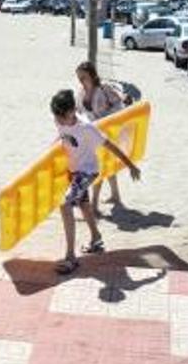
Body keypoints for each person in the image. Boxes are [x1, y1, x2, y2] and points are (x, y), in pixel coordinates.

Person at [49, 89, 141, 275]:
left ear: (72, 111)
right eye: (56, 116)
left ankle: (70, 257)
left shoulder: (87, 129)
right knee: (83, 205)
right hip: (74, 171)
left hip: (88, 171)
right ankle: (96, 239)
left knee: (65, 204)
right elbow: (62, 136)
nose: (58, 120)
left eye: (61, 116)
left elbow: (110, 146)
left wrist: (130, 165)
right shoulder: (59, 118)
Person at [75, 61, 126, 217]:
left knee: (98, 168)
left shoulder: (104, 89)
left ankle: (94, 205)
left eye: (83, 77)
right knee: (106, 164)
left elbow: (120, 105)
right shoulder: (81, 92)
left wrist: (106, 119)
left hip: (107, 132)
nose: (81, 81)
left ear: (92, 75)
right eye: (79, 78)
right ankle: (115, 196)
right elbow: (79, 111)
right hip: (92, 133)